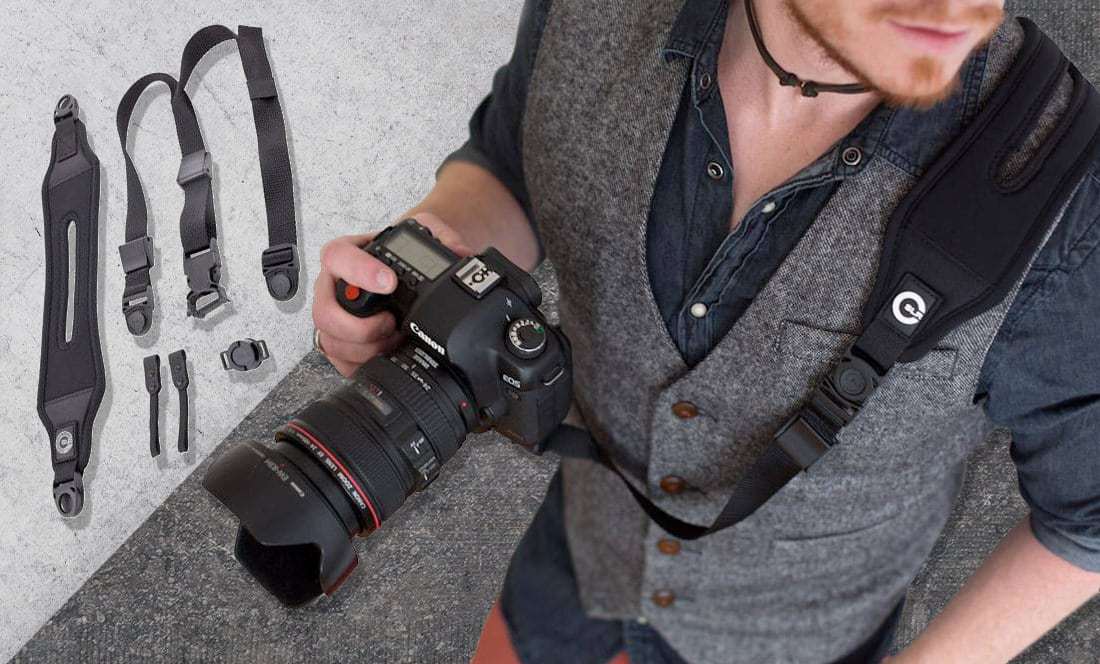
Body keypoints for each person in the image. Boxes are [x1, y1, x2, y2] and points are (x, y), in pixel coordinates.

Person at [312, 1, 1100, 662]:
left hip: (797, 635)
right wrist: (432, 255)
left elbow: (1089, 522)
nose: (964, 7)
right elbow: (509, 156)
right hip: (586, 544)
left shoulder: (1068, 195)